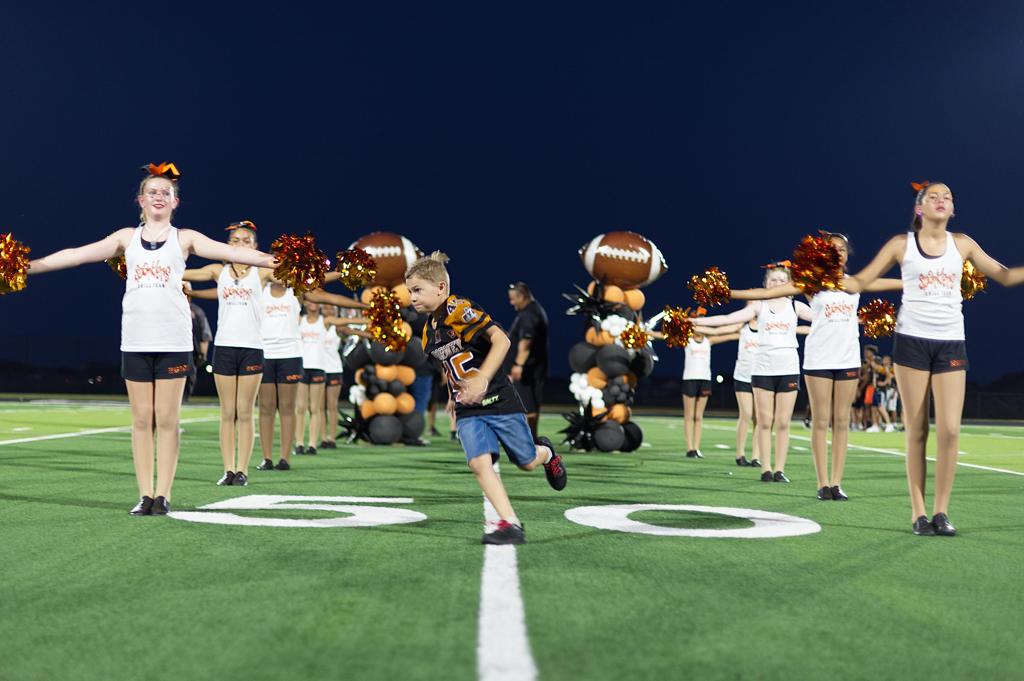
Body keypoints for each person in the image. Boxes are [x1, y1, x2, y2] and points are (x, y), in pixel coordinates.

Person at [27, 164, 275, 514]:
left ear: (175, 202)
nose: (159, 196)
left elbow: (233, 253)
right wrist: (29, 266)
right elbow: (76, 255)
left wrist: (279, 261)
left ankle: (163, 494)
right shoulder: (126, 238)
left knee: (167, 420)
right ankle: (145, 494)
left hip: (174, 342)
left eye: (165, 193)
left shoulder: (184, 238)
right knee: (142, 420)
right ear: (141, 200)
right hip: (136, 342)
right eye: (152, 192)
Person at [843, 181, 1024, 535]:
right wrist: (826, 278)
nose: (941, 200)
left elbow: (1004, 275)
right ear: (919, 208)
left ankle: (942, 511)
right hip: (911, 341)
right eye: (933, 197)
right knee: (917, 430)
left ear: (953, 210)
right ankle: (919, 513)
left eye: (948, 197)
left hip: (950, 342)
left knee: (951, 431)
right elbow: (861, 281)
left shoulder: (963, 244)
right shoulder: (901, 244)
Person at [406, 252, 566, 545]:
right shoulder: (428, 333)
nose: (412, 297)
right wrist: (453, 395)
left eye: (417, 289)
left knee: (527, 461)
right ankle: (511, 524)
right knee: (479, 463)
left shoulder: (458, 309)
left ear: (440, 288)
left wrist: (482, 377)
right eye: (410, 291)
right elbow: (451, 366)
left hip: (498, 400)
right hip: (468, 408)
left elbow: (501, 339)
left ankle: (547, 454)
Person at [733, 234, 901, 499]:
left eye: (843, 249)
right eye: (833, 249)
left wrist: (917, 281)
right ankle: (822, 483)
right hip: (819, 359)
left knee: (842, 421)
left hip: (847, 358)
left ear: (847, 254)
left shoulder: (855, 282)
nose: (839, 252)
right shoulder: (812, 284)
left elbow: (889, 282)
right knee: (821, 421)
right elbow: (767, 293)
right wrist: (728, 292)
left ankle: (836, 483)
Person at [699, 263, 812, 483]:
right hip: (763, 369)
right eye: (773, 280)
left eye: (782, 280)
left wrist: (857, 319)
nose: (777, 283)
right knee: (764, 421)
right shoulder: (759, 306)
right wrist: (693, 321)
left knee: (783, 422)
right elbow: (727, 319)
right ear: (765, 284)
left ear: (790, 283)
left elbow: (823, 317)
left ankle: (780, 469)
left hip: (788, 369)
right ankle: (766, 469)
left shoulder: (796, 306)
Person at [183, 221, 270, 486]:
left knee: (245, 411)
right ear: (226, 246)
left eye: (246, 240)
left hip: (252, 348)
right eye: (235, 240)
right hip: (224, 347)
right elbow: (176, 271)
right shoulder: (217, 270)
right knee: (227, 412)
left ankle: (242, 470)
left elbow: (299, 274)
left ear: (255, 246)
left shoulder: (263, 270)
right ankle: (228, 469)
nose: (240, 244)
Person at [679, 324, 741, 459]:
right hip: (689, 379)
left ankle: (696, 448)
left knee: (699, 416)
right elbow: (666, 336)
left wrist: (742, 331)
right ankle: (689, 448)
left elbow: (729, 336)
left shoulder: (708, 341)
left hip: (705, 380)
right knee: (689, 416)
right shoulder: (687, 340)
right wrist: (648, 333)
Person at [505, 282, 549, 438]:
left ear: (521, 297)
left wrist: (518, 364)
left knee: (527, 407)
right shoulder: (534, 310)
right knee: (528, 406)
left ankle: (528, 440)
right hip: (531, 369)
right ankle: (529, 440)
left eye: (513, 299)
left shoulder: (529, 314)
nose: (511, 303)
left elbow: (526, 341)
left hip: (527, 371)